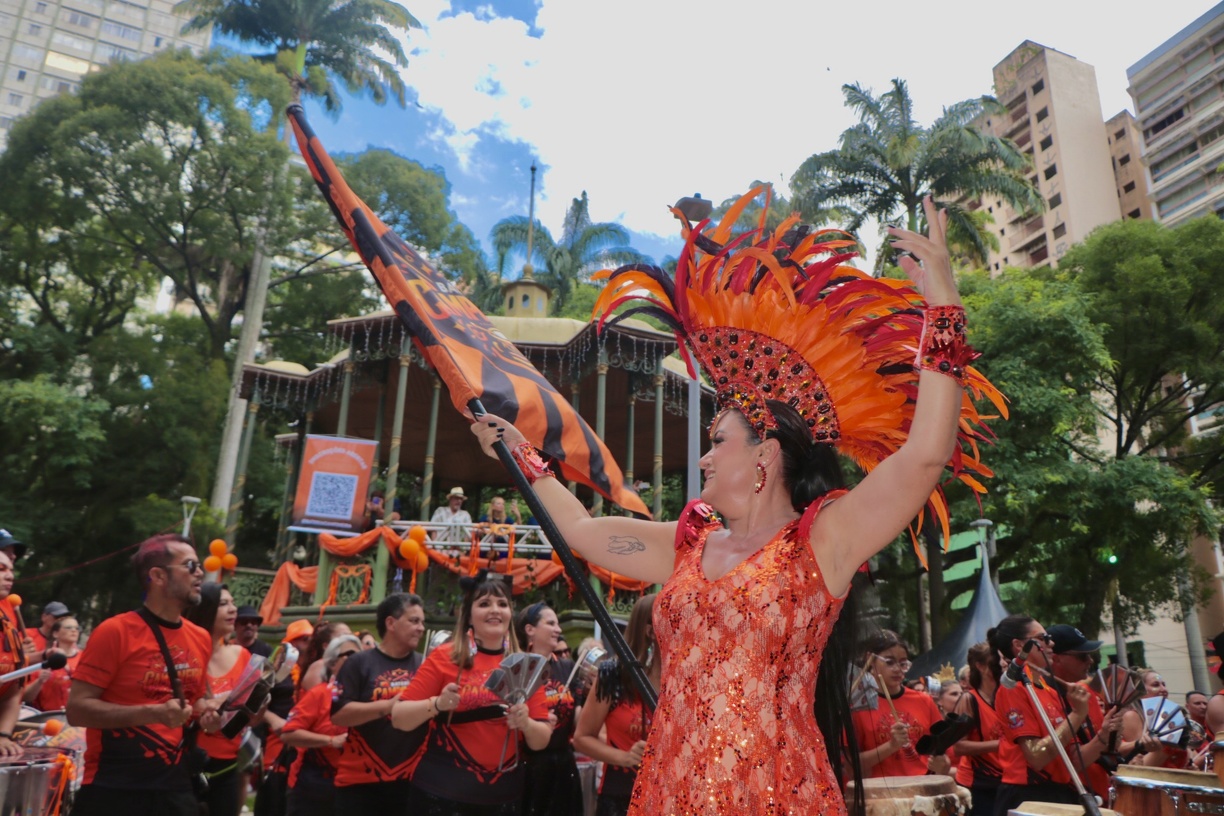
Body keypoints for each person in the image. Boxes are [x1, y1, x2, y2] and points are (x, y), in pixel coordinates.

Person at [471, 193, 1002, 814]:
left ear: (764, 456)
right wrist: (522, 455)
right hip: (671, 793)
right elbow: (583, 532)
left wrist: (943, 306)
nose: (702, 459)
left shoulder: (822, 543)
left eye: (716, 442)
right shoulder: (687, 548)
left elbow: (923, 457)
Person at [66, 534, 222, 816]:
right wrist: (154, 712)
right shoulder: (115, 631)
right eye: (190, 566)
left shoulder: (200, 637)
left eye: (199, 566)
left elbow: (193, 703)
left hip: (176, 787)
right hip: (113, 787)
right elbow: (77, 710)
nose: (200, 573)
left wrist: (210, 712)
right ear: (158, 576)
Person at [392, 575, 552, 814]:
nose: (495, 610)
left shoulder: (526, 666)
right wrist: (437, 703)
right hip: (440, 794)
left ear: (510, 613)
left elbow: (541, 741)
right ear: (468, 615)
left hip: (504, 797)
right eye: (484, 604)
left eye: (502, 603)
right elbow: (399, 717)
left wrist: (526, 723)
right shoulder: (445, 657)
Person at [991, 615, 1102, 816]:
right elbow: (1037, 757)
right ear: (1018, 645)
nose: (1051, 643)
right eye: (1043, 638)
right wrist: (1077, 715)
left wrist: (1105, 735)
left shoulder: (1045, 688)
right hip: (1027, 794)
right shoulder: (1012, 687)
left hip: (1056, 791)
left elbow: (1071, 756)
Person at [329, 593, 427, 813]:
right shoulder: (358, 663)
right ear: (391, 622)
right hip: (360, 782)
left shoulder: (426, 664)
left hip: (412, 779)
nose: (421, 628)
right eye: (414, 621)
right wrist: (389, 706)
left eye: (422, 622)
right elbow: (338, 713)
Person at [573, 594, 659, 816]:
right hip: (620, 797)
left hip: (671, 796)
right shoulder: (613, 674)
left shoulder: (683, 676)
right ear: (650, 631)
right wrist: (624, 757)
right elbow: (582, 737)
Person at [186, 583, 258, 816]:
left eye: (233, 603)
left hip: (230, 765)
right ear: (204, 610)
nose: (232, 609)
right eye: (223, 604)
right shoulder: (187, 656)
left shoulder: (242, 655)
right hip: (188, 764)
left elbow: (255, 713)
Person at [851, 630, 950, 778]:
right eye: (889, 662)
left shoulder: (924, 700)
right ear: (870, 660)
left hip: (923, 788)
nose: (897, 669)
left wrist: (943, 765)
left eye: (903, 663)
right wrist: (891, 746)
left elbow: (942, 754)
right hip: (881, 793)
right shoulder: (857, 705)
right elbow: (851, 765)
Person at [514, 600, 582, 816]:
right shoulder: (515, 668)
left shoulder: (566, 666)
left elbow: (579, 714)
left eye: (558, 624)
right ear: (530, 630)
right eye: (551, 623)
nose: (558, 629)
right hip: (527, 768)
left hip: (563, 764)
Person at [281, 634, 359, 816]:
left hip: (353, 786)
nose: (356, 660)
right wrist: (331, 740)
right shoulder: (319, 694)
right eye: (349, 655)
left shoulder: (365, 696)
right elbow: (288, 733)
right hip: (312, 788)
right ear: (332, 664)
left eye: (359, 655)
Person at [1045, 624, 1120, 803]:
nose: (1090, 661)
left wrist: (1114, 733)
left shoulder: (1086, 694)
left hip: (1097, 794)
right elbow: (1073, 762)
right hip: (1068, 799)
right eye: (1082, 656)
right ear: (1056, 659)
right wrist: (1104, 735)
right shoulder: (1045, 698)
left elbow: (1108, 748)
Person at [954, 642, 1004, 816]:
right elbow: (958, 746)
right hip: (978, 784)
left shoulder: (1006, 697)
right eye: (995, 663)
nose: (1001, 666)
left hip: (1005, 780)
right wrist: (1000, 744)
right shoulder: (969, 700)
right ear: (981, 666)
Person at [24, 614, 83, 711]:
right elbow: (26, 697)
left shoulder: (84, 658)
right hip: (47, 717)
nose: (74, 630)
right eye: (68, 627)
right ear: (55, 633)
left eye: (77, 628)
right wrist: (39, 681)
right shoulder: (44, 658)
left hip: (76, 718)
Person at [298, 621, 352, 694]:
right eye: (343, 636)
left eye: (351, 635)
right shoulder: (319, 666)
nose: (350, 640)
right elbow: (318, 700)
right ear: (326, 646)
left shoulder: (348, 664)